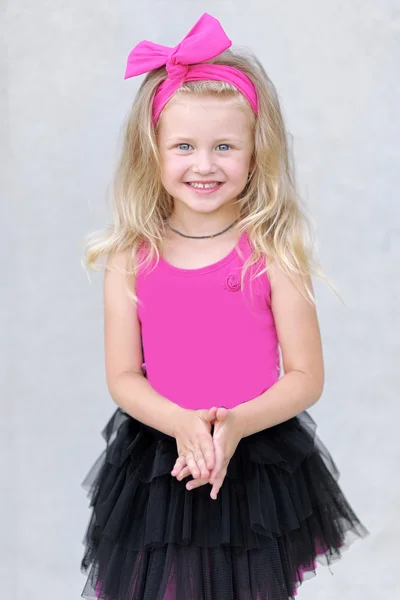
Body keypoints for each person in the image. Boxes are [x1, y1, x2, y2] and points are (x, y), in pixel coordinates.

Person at [80, 13, 368, 600]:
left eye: (225, 147)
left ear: (255, 152)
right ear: (151, 151)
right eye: (184, 146)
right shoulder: (131, 257)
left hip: (255, 458)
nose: (205, 165)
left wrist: (232, 425)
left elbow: (306, 376)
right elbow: (122, 377)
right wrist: (184, 425)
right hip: (162, 457)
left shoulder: (272, 253)